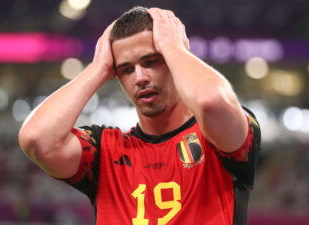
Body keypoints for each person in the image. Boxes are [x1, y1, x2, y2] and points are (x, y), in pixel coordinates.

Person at [18, 6, 261, 225]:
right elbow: (37, 139)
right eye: (126, 69)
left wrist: (174, 48)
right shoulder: (105, 151)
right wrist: (97, 69)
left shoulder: (217, 139)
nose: (140, 77)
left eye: (151, 61)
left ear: (174, 60)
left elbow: (212, 102)